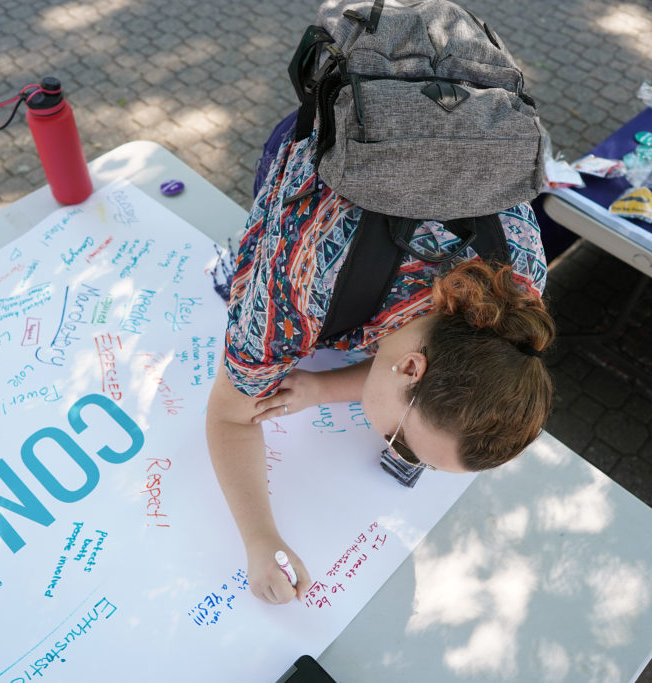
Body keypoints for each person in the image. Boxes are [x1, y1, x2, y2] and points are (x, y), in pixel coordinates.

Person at [205, 117, 555, 606]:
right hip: (332, 144)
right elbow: (228, 416)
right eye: (403, 443)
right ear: (411, 368)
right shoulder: (298, 291)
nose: (398, 454)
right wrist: (261, 539)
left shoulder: (519, 288)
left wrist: (322, 389)